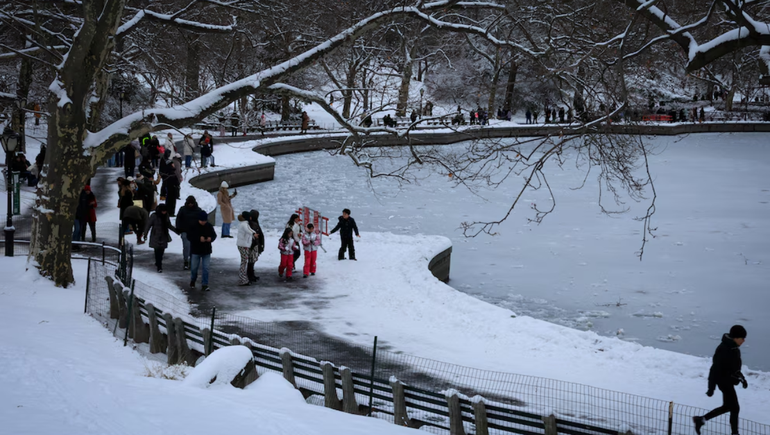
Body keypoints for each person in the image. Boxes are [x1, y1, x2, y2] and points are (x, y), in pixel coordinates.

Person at [693, 325, 748, 435]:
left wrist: (742, 379)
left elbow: (735, 368)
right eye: (742, 338)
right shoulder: (723, 349)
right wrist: (711, 388)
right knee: (734, 407)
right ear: (735, 338)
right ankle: (734, 433)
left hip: (728, 381)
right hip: (723, 381)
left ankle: (701, 420)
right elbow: (714, 369)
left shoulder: (734, 348)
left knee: (729, 406)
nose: (744, 340)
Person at [188, 211, 217, 291]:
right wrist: (198, 239)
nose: (203, 222)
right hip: (195, 250)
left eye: (205, 221)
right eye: (202, 221)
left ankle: (205, 284)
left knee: (206, 268)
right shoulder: (193, 226)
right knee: (194, 268)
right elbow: (189, 236)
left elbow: (214, 235)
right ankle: (193, 280)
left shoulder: (209, 226)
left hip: (206, 250)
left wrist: (211, 239)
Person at [145, 203, 178, 273]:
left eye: (165, 211)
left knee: (162, 251)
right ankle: (159, 266)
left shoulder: (166, 216)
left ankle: (158, 262)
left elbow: (168, 224)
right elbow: (148, 225)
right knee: (157, 251)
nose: (164, 212)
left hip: (164, 235)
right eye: (163, 211)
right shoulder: (154, 216)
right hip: (155, 235)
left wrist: (176, 231)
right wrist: (145, 234)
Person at [176, 196, 201, 270]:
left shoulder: (198, 210)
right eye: (189, 203)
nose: (190, 204)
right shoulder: (183, 209)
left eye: (191, 203)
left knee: (193, 247)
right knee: (186, 247)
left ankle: (191, 262)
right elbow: (178, 219)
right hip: (185, 231)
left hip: (195, 232)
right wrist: (179, 228)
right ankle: (186, 261)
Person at [236, 211, 258, 286]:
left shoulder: (245, 223)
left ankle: (243, 278)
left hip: (244, 245)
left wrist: (254, 233)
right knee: (244, 262)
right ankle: (242, 279)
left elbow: (249, 230)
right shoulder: (244, 224)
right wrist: (254, 234)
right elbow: (248, 230)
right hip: (243, 245)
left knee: (244, 261)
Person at [247, 209, 265, 283]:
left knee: (252, 261)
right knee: (251, 261)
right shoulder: (253, 224)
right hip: (254, 245)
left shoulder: (251, 223)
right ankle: (250, 275)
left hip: (254, 245)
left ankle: (251, 275)